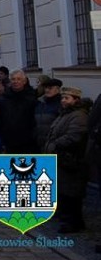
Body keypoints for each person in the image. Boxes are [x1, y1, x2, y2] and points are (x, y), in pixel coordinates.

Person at [43, 86, 89, 234]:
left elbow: (74, 136)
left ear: (75, 100)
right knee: (65, 192)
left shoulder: (79, 116)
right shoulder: (64, 114)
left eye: (67, 98)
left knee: (71, 194)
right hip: (62, 159)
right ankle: (71, 221)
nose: (63, 100)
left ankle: (71, 223)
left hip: (72, 160)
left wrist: (54, 145)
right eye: (63, 98)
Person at [0, 69, 37, 153]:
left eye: (19, 79)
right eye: (13, 79)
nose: (15, 81)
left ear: (24, 81)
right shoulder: (3, 98)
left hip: (28, 142)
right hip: (8, 141)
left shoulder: (32, 98)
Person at [34, 77, 63, 149]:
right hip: (38, 143)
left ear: (57, 89)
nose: (47, 90)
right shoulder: (39, 102)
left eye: (50, 88)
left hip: (53, 144)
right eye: (46, 88)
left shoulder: (62, 104)